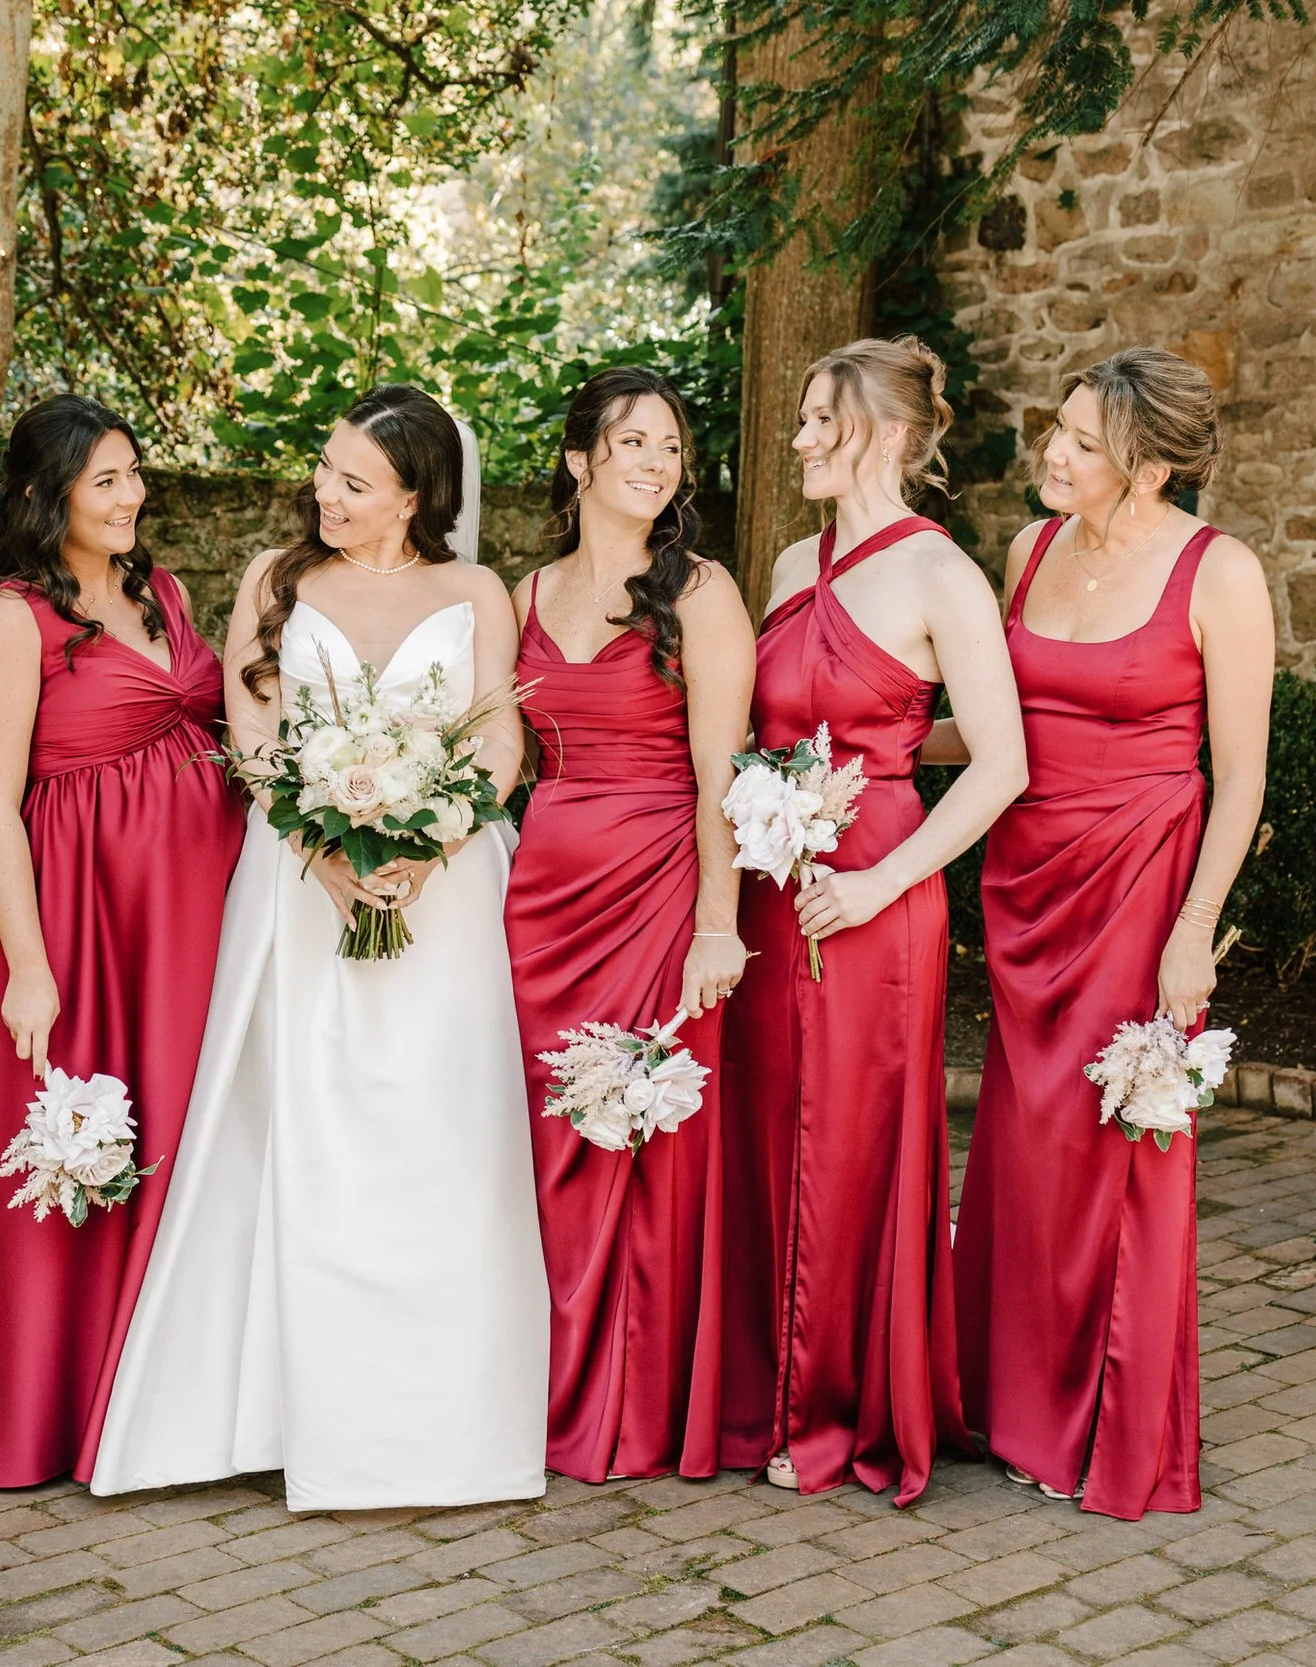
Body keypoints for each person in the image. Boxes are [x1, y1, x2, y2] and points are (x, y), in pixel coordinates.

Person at [87, 384, 550, 1511]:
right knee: (301, 1124)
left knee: (438, 1128)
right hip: (300, 885)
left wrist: (432, 843)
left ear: (413, 496)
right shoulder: (273, 579)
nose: (325, 493)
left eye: (354, 480)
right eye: (326, 469)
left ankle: (442, 1423)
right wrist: (320, 848)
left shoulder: (475, 588)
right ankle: (279, 1414)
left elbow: (500, 732)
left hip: (439, 890)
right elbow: (249, 734)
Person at [940, 347, 1272, 1520]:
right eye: (1059, 430)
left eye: (1083, 442)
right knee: (1021, 1139)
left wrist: (1194, 931)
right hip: (1026, 882)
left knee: (1113, 1146)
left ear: (1151, 463)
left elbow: (1238, 779)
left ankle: (1099, 1422)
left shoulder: (1218, 572)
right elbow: (979, 729)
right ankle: (999, 1395)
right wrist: (842, 755)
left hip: (1141, 886)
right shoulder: (1026, 554)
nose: (1055, 453)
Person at [720, 338, 1027, 1501]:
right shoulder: (795, 558)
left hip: (874, 888)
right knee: (765, 1130)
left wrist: (878, 877)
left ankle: (844, 1406)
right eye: (796, 418)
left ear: (893, 434)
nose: (797, 438)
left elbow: (1001, 764)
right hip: (774, 877)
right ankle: (768, 1388)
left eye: (819, 420)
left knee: (846, 1143)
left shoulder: (943, 576)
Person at [0, 396, 243, 1489]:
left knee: (195, 1129)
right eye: (105, 480)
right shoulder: (8, 621)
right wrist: (28, 964)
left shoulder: (161, 590)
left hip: (198, 910)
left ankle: (181, 1399)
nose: (131, 496)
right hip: (81, 916)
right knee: (87, 1136)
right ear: (43, 494)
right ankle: (59, 1411)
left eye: (133, 474)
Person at [504, 367, 753, 1484]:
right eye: (631, 441)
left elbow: (721, 774)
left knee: (646, 1131)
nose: (656, 461)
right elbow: (501, 765)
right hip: (544, 894)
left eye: (670, 445)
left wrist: (716, 922)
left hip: (658, 885)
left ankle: (639, 1400)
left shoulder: (700, 591)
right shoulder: (521, 595)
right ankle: (535, 1381)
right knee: (546, 1128)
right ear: (576, 460)